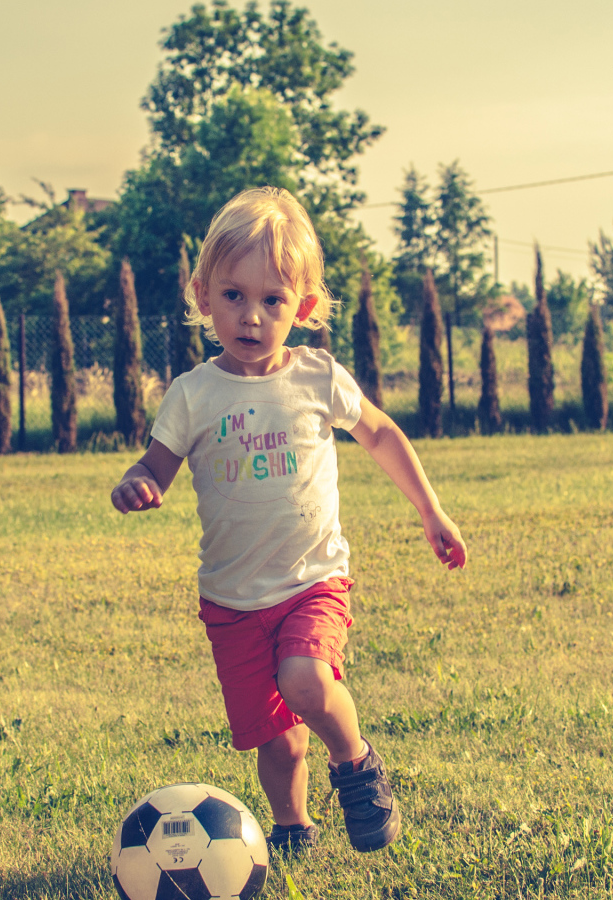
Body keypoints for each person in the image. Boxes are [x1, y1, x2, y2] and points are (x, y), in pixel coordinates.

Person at [109, 187, 467, 855]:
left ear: (301, 307)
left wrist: (430, 509)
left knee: (305, 680)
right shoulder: (192, 395)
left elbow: (382, 435)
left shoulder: (316, 378)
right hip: (231, 597)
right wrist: (137, 484)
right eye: (233, 296)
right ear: (202, 295)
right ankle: (293, 826)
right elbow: (155, 466)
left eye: (272, 300)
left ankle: (356, 765)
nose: (251, 316)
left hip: (311, 579)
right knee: (272, 734)